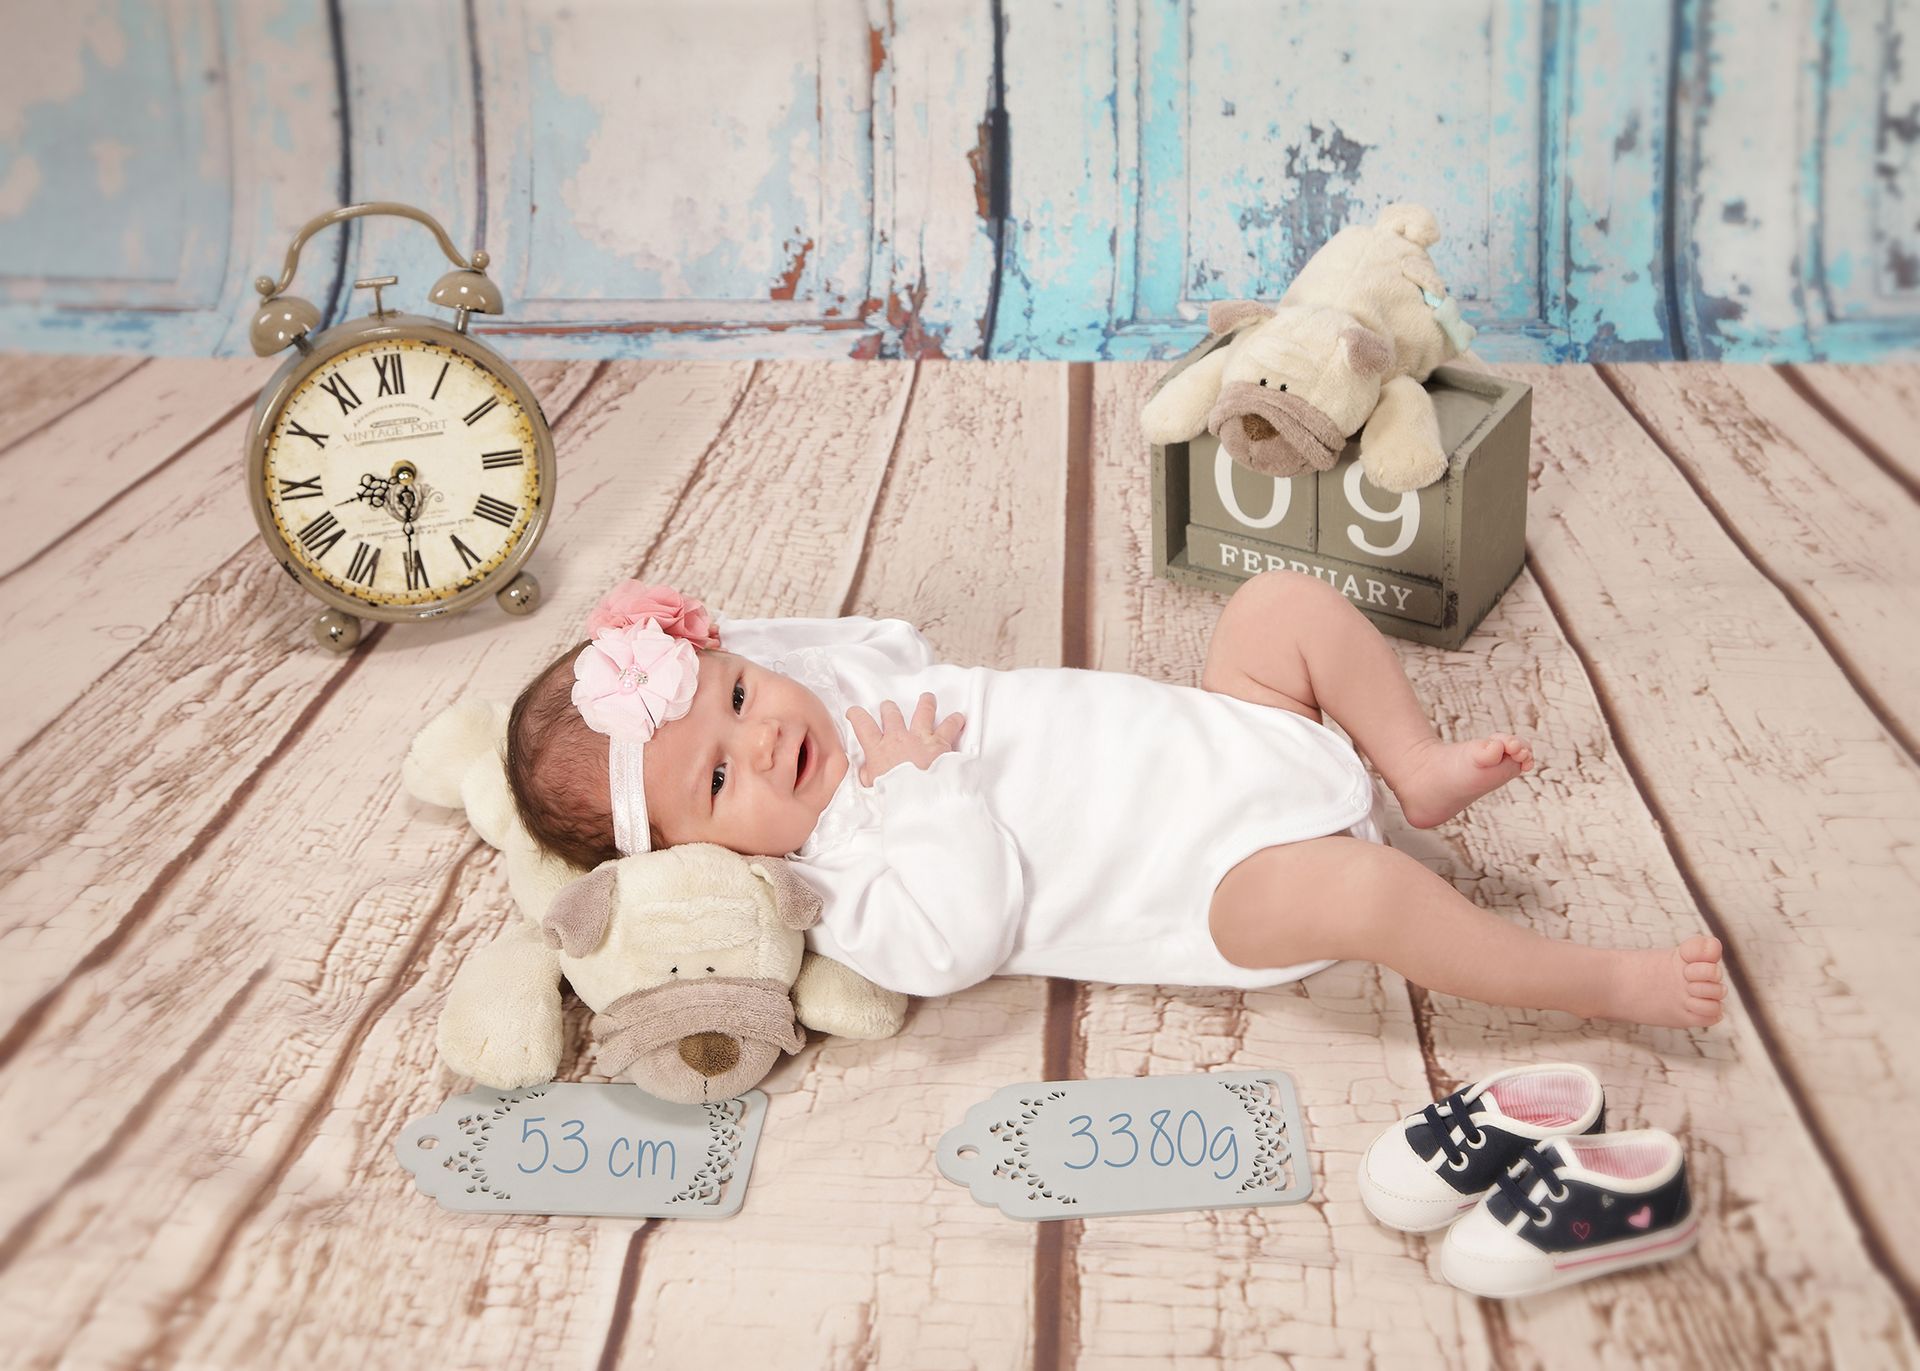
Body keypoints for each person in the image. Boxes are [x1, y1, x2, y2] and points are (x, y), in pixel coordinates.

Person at [505, 576, 1725, 1028]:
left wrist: (711, 649)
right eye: (717, 781)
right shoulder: (841, 883)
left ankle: (1409, 762)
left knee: (1279, 612)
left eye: (734, 692)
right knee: (1367, 892)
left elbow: (873, 632)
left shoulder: (827, 695)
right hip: (1214, 888)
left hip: (1239, 735)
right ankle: (1595, 983)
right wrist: (925, 794)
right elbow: (956, 942)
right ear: (696, 855)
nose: (762, 741)